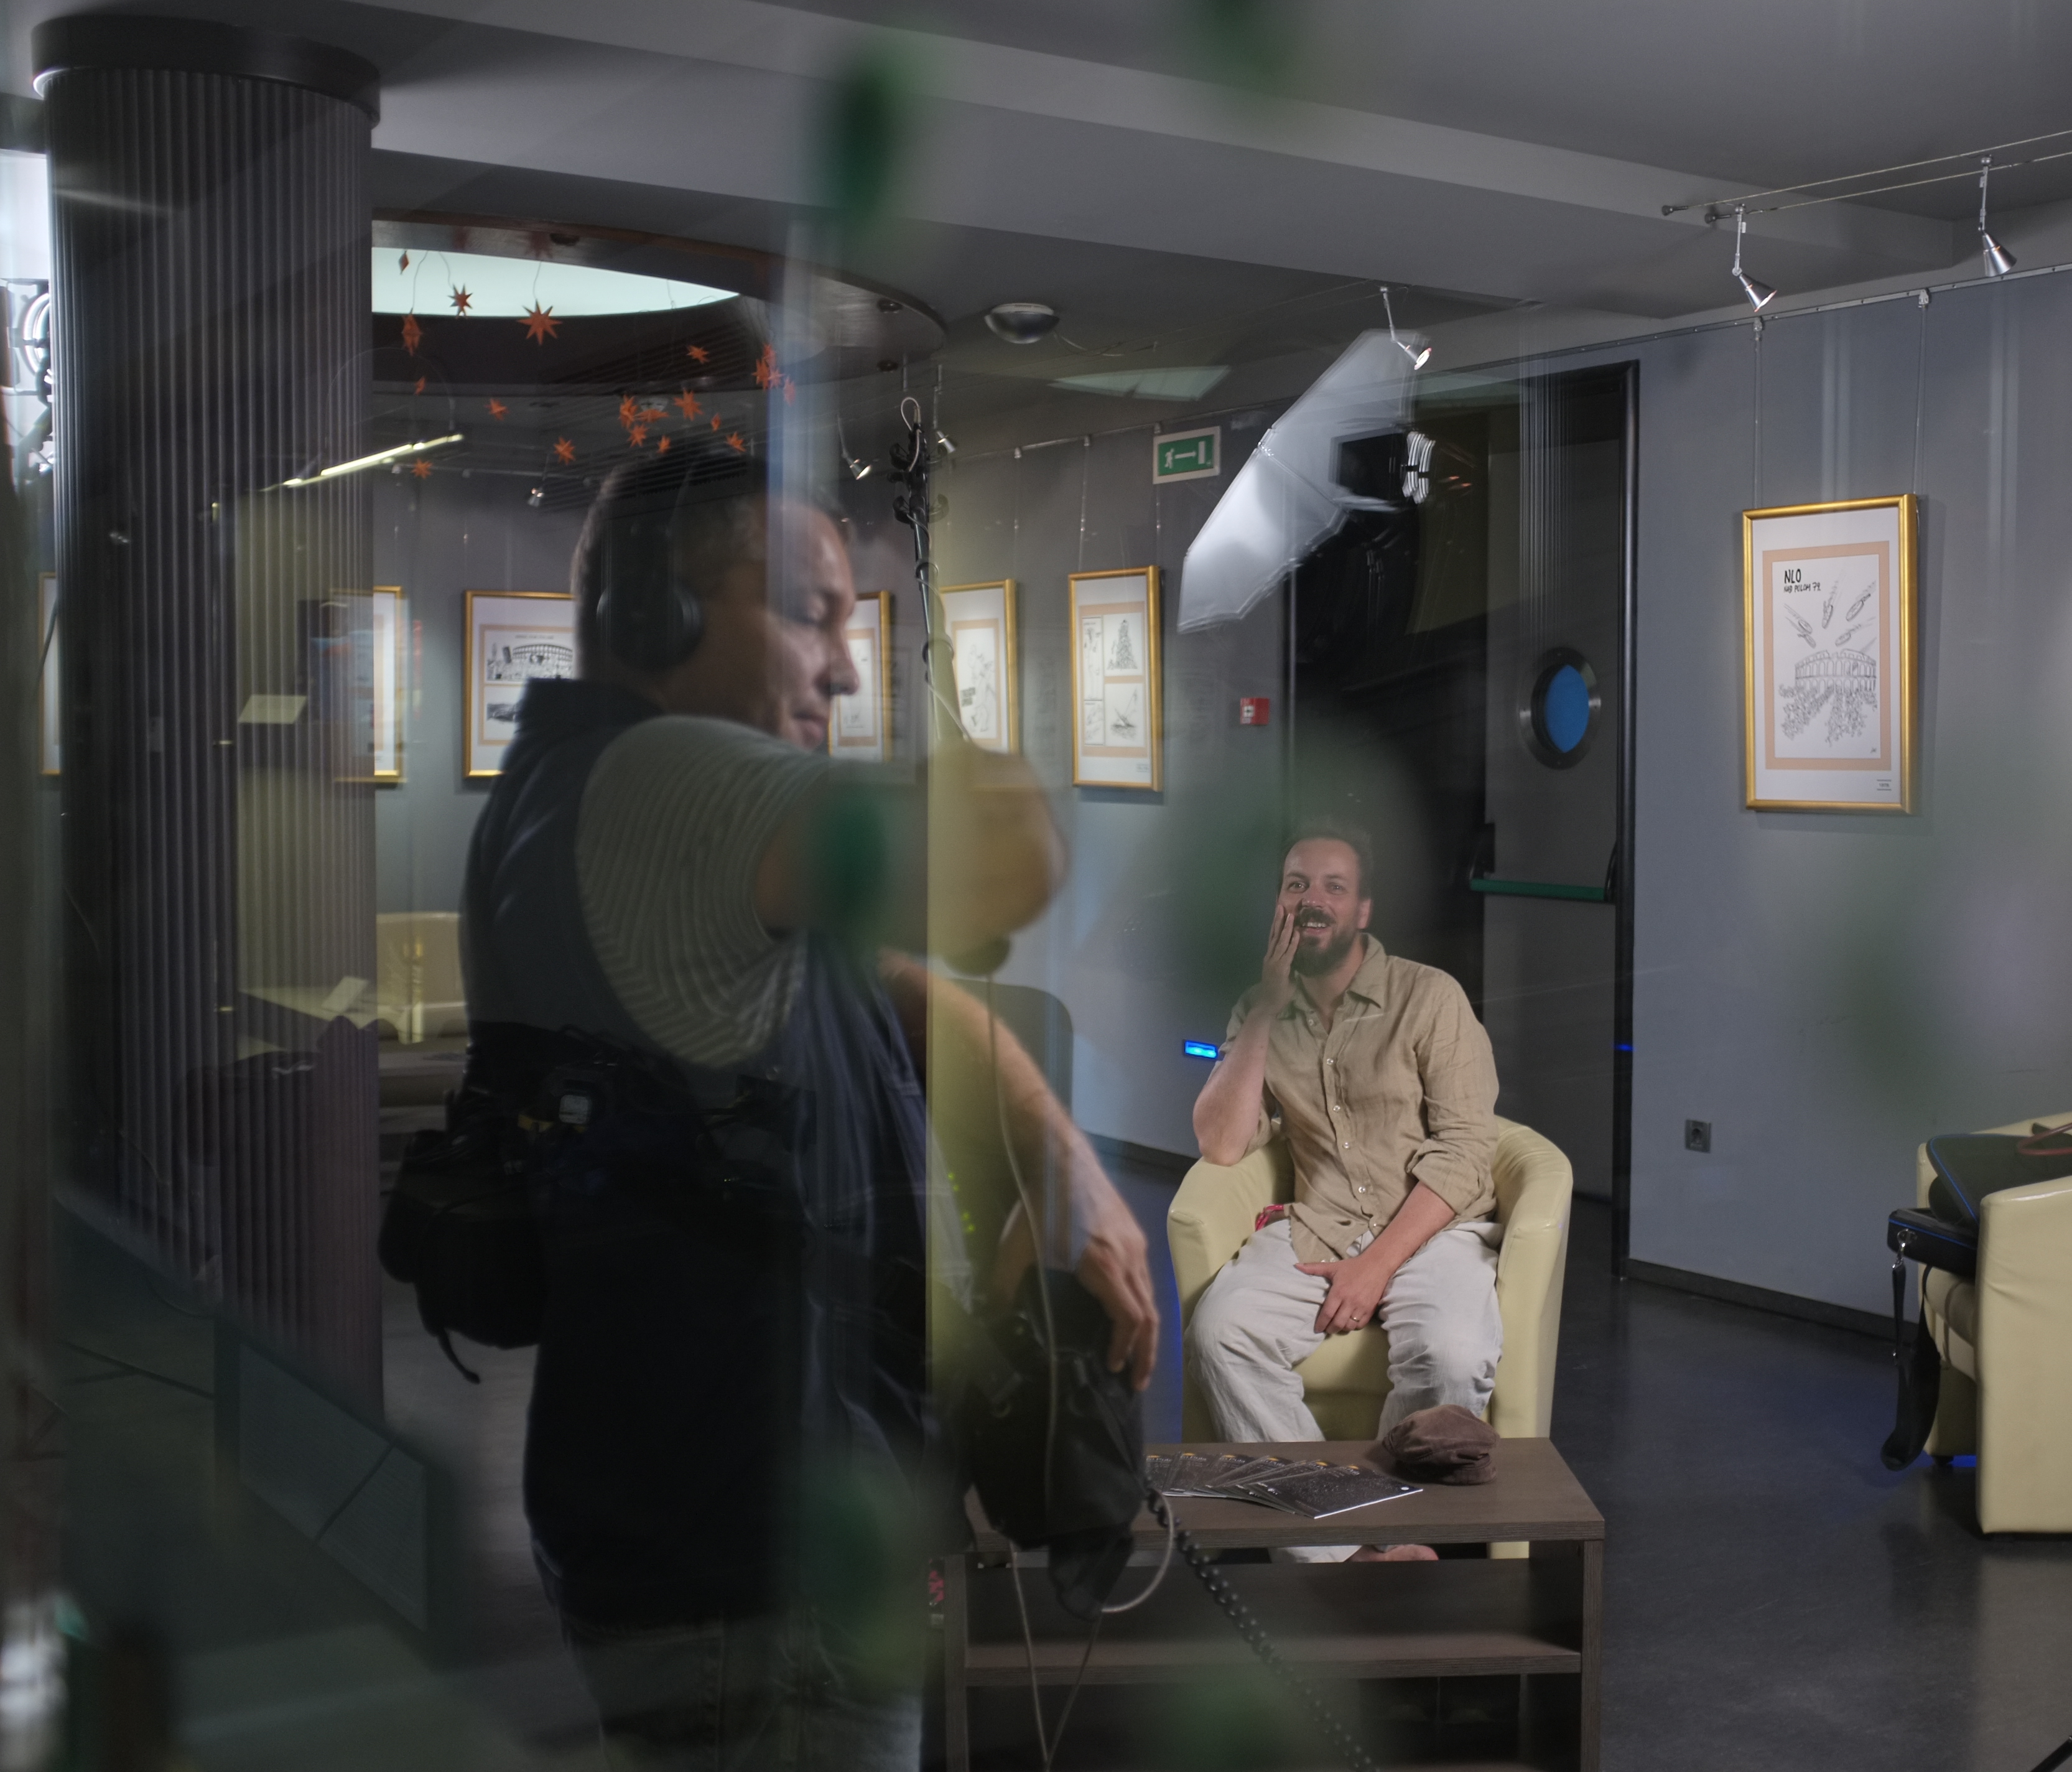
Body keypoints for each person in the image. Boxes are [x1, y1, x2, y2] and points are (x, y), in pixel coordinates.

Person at [461, 449, 1156, 1770]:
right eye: (808, 613)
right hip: (763, 1578)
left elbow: (886, 977)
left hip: (691, 1526)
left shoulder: (580, 791)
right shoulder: (670, 781)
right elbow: (1013, 852)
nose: (842, 668)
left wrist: (1057, 1155)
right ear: (662, 611)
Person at [1185, 823, 1502, 1563]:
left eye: (1333, 886)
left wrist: (1376, 1266)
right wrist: (1265, 1007)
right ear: (1279, 903)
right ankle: (1344, 1549)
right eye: (1296, 884)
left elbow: (1465, 1150)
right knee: (1219, 1332)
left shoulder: (1429, 996)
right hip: (1318, 1226)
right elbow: (1222, 1142)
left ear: (1363, 910)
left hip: (1432, 1227)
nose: (1312, 900)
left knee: (1452, 1353)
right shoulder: (1256, 1006)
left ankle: (1396, 1530)